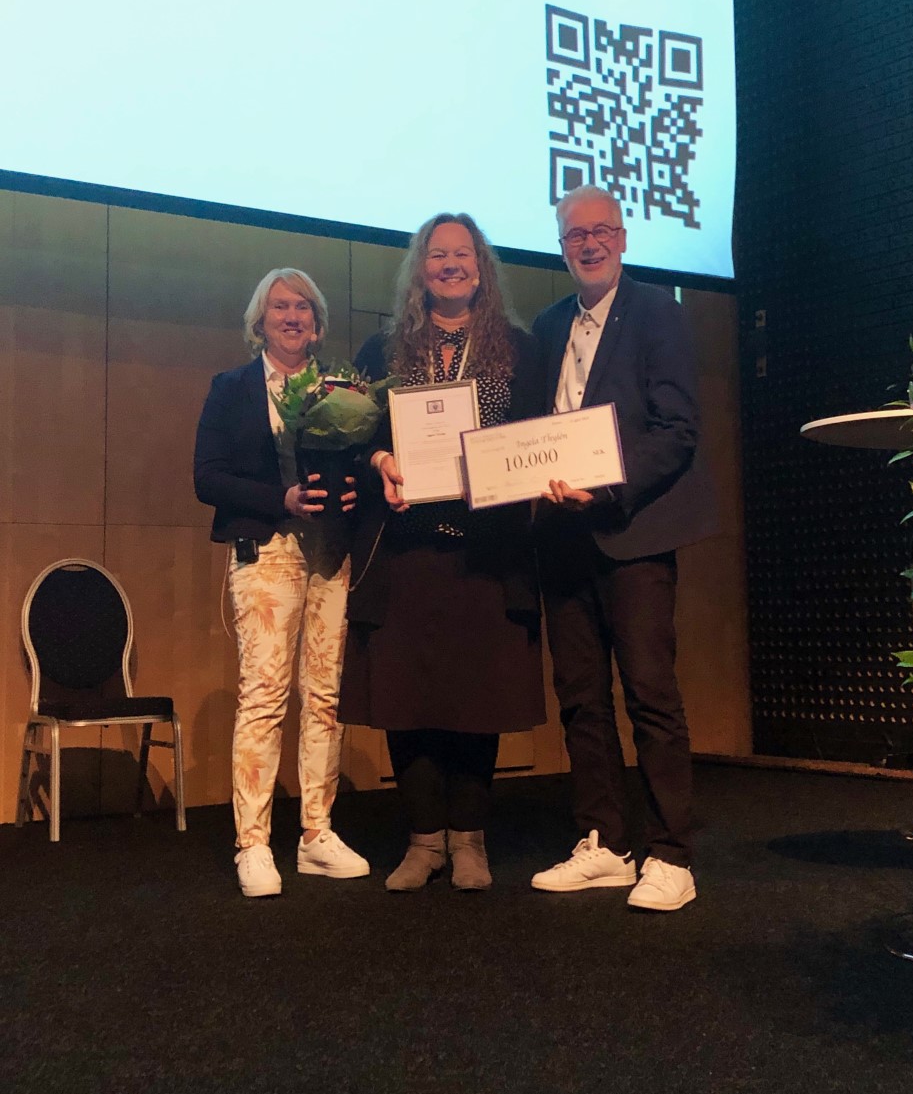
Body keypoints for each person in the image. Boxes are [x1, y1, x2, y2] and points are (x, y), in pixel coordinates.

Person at [339, 213, 545, 891]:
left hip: (486, 555)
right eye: (437, 255)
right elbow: (356, 438)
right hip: (405, 554)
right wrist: (380, 461)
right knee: (408, 701)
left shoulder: (518, 349)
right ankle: (423, 840)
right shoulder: (383, 349)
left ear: (481, 267)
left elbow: (536, 435)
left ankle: (470, 840)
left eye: (462, 254)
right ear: (419, 268)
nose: (450, 264)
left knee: (476, 700)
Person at [529, 185, 716, 910]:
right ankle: (605, 843)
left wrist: (605, 488)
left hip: (633, 534)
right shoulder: (549, 325)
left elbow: (677, 430)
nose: (590, 243)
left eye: (602, 231)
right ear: (562, 246)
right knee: (580, 699)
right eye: (576, 234)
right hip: (560, 538)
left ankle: (672, 856)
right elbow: (534, 430)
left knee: (650, 696)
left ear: (624, 239)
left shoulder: (658, 313)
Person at [194, 267, 369, 898]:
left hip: (330, 551)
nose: (292, 317)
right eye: (279, 307)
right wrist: (282, 498)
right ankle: (254, 844)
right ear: (259, 322)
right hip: (265, 550)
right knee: (264, 696)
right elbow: (207, 477)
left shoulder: (342, 390)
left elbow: (361, 467)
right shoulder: (231, 388)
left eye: (303, 307)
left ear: (317, 324)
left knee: (324, 696)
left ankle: (317, 833)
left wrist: (352, 489)